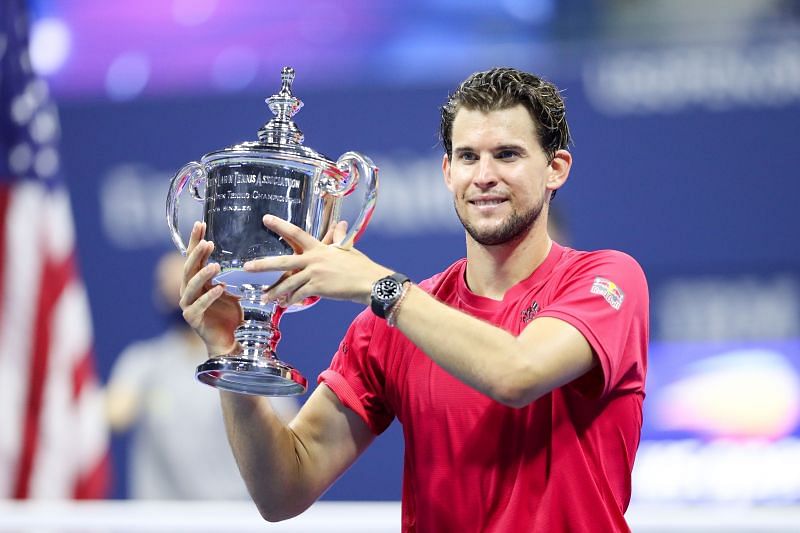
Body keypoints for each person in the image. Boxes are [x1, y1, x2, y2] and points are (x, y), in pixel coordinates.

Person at [180, 67, 648, 531]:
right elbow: (283, 491)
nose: (484, 176)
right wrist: (233, 355)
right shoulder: (390, 323)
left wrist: (381, 287)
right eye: (467, 157)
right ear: (448, 172)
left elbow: (517, 374)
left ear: (555, 169)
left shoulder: (607, 280)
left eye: (507, 155)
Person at [106, 251, 298, 499]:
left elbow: (289, 433)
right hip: (162, 520)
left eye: (184, 282)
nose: (177, 293)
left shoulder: (246, 360)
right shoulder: (142, 362)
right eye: (168, 286)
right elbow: (115, 414)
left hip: (234, 518)